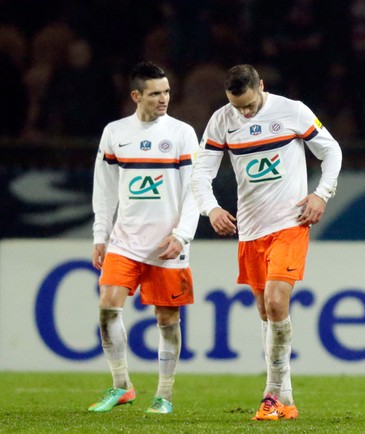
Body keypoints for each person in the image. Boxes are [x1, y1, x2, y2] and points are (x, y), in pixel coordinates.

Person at [191, 64, 342, 421]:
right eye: (236, 106)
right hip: (251, 230)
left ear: (261, 85)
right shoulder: (221, 120)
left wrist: (321, 194)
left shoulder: (293, 110)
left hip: (290, 224)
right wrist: (210, 209)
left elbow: (331, 151)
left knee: (276, 302)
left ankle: (270, 396)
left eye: (248, 104)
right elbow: (201, 171)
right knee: (266, 312)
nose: (243, 113)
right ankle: (286, 398)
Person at [90, 61, 200, 415]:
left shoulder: (182, 133)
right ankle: (122, 386)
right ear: (136, 95)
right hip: (125, 241)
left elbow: (194, 192)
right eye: (155, 94)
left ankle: (163, 395)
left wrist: (182, 236)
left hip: (167, 245)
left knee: (167, 320)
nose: (163, 99)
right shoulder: (115, 133)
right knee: (108, 307)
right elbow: (104, 190)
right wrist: (100, 235)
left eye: (166, 92)